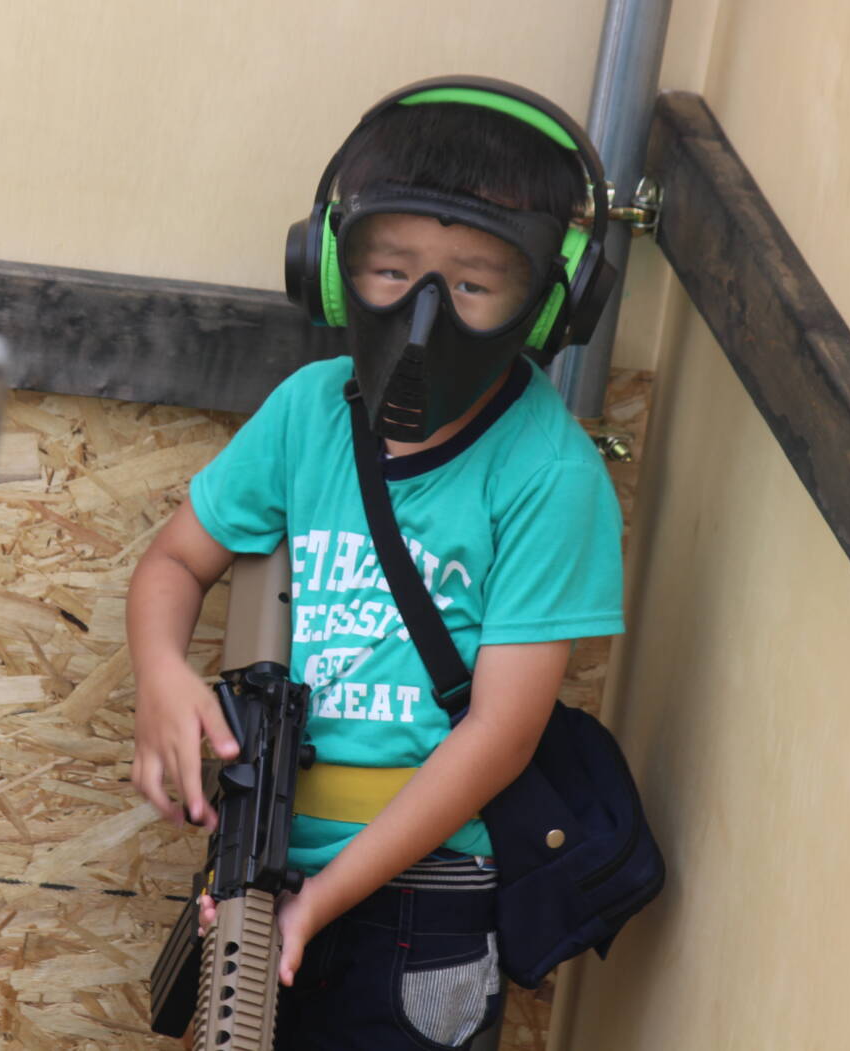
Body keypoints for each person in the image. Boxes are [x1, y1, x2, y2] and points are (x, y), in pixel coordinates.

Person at [128, 76, 625, 1049]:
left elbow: (500, 734)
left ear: (551, 300)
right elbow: (174, 562)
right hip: (267, 875)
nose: (424, 314)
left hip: (424, 908)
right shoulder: (309, 412)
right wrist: (160, 674)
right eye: (390, 270)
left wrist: (323, 899)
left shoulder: (549, 471)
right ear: (329, 265)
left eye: (473, 284)